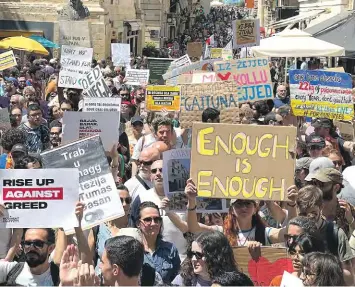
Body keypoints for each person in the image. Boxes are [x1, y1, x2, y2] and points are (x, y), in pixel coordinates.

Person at [295, 185, 354, 284]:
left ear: (321, 207)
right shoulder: (295, 232)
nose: (308, 219)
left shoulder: (336, 234)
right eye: (303, 215)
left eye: (313, 214)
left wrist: (325, 268)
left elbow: (350, 278)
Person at [172, 231, 250, 286]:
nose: (193, 259)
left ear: (215, 256)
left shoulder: (237, 282)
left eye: (198, 255)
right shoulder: (183, 279)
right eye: (191, 254)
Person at [88, 184, 131, 275]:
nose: (124, 204)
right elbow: (88, 258)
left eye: (128, 200)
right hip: (100, 280)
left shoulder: (135, 225)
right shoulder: (98, 226)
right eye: (120, 200)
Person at [136, 201, 181, 283]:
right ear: (138, 224)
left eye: (157, 219)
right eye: (147, 219)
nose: (153, 224)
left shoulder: (170, 249)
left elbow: (176, 279)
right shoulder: (133, 250)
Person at [305, 167, 355, 238]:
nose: (318, 187)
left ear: (336, 187)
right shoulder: (310, 208)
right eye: (316, 183)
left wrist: (351, 220)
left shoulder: (347, 209)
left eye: (322, 184)